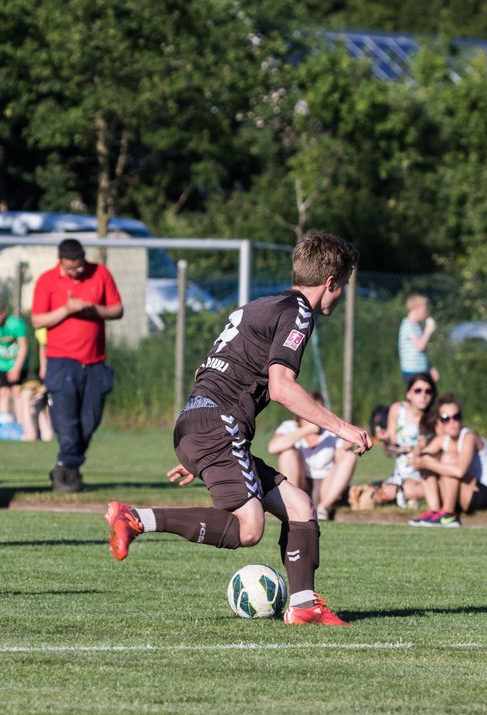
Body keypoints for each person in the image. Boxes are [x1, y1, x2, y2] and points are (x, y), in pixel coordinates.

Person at [105, 230, 371, 626]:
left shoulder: (256, 306)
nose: (341, 295)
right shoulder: (298, 312)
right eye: (343, 287)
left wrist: (203, 449)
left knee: (299, 506)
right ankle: (137, 517)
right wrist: (342, 428)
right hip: (217, 424)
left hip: (201, 421)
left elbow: (206, 369)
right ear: (330, 283)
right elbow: (281, 386)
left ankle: (302, 605)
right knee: (249, 529)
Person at [31, 239, 123, 493]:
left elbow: (117, 309)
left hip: (95, 362)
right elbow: (38, 320)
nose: (76, 272)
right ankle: (68, 469)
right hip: (61, 362)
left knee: (89, 421)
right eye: (70, 268)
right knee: (67, 423)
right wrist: (67, 309)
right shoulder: (46, 281)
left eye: (79, 266)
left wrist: (93, 310)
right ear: (60, 261)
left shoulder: (100, 273)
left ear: (84, 258)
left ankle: (66, 465)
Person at [409, 394, 487, 527]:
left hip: (484, 492)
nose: (452, 422)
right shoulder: (442, 439)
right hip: (467, 488)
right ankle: (434, 511)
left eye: (456, 417)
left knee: (449, 458)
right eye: (446, 418)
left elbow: (460, 472)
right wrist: (418, 450)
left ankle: (449, 514)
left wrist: (428, 463)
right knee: (427, 462)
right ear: (439, 422)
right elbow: (418, 460)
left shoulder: (468, 437)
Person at [267, 390, 359, 521]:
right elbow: (273, 447)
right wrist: (307, 430)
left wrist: (347, 447)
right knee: (287, 453)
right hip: (300, 483)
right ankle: (292, 505)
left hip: (324, 486)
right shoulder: (289, 427)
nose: (314, 415)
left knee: (349, 456)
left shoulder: (330, 432)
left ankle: (324, 508)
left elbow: (341, 460)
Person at [376, 373, 438, 519]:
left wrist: (424, 449)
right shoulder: (398, 409)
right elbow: (389, 452)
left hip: (424, 474)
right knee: (379, 491)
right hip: (400, 473)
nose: (423, 395)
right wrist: (384, 440)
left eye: (428, 391)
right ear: (408, 394)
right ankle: (403, 493)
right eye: (418, 391)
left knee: (394, 490)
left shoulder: (435, 418)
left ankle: (403, 493)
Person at [398, 294, 438, 382]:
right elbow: (420, 346)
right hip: (412, 371)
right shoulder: (408, 325)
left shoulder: (417, 326)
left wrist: (430, 367)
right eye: (425, 309)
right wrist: (428, 330)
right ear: (416, 309)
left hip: (421, 369)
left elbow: (421, 352)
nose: (426, 312)